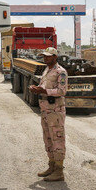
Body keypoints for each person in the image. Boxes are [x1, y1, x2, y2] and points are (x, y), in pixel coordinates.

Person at [29, 47, 68, 182]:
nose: (45, 58)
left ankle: (59, 170)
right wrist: (36, 89)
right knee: (48, 139)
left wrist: (44, 91)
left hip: (55, 110)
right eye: (44, 56)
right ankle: (51, 166)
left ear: (55, 57)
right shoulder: (47, 70)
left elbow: (61, 91)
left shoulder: (60, 72)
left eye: (48, 56)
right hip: (45, 110)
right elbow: (43, 86)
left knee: (57, 139)